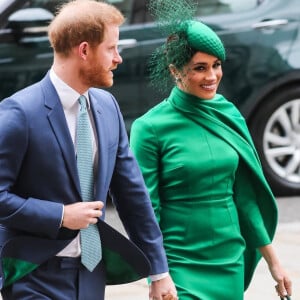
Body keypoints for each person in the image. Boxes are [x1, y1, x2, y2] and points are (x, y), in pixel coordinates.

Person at [0, 1, 178, 299]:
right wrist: (59, 215)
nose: (118, 58)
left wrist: (159, 272)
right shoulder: (19, 113)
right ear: (84, 50)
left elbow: (132, 193)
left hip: (92, 273)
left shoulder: (107, 107)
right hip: (34, 275)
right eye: (111, 48)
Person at [130, 0, 292, 299]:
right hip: (179, 263)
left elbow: (244, 197)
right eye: (199, 68)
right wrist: (157, 273)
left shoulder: (228, 114)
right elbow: (146, 210)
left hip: (229, 260)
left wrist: (274, 262)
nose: (212, 76)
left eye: (216, 65)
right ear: (175, 71)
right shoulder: (149, 127)